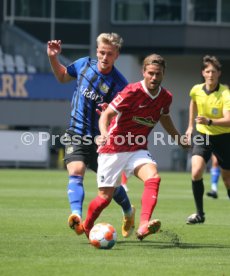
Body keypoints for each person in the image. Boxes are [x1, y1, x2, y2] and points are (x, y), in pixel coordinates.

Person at [80, 53, 189, 240]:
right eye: (151, 73)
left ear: (163, 74)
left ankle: (144, 224)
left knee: (153, 178)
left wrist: (179, 139)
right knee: (104, 199)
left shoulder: (165, 97)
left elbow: (165, 117)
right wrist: (104, 134)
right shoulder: (131, 92)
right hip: (113, 147)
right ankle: (86, 226)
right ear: (144, 72)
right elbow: (106, 115)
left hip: (137, 148)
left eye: (158, 74)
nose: (154, 78)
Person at [47, 33, 135, 238]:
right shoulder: (83, 65)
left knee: (110, 186)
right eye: (102, 52)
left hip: (101, 139)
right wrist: (53, 57)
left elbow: (124, 117)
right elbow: (61, 77)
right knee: (76, 171)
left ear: (117, 55)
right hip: (76, 133)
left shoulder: (120, 85)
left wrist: (109, 117)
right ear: (97, 51)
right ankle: (76, 217)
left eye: (110, 54)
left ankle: (129, 212)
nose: (105, 57)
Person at [185, 55, 230, 225]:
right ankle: (199, 214)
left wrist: (210, 121)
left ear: (219, 73)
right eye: (207, 71)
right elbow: (193, 102)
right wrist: (190, 126)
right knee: (196, 172)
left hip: (224, 137)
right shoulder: (196, 89)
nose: (210, 74)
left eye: (214, 71)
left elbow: (229, 119)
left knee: (227, 180)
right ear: (203, 73)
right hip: (203, 135)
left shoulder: (225, 93)